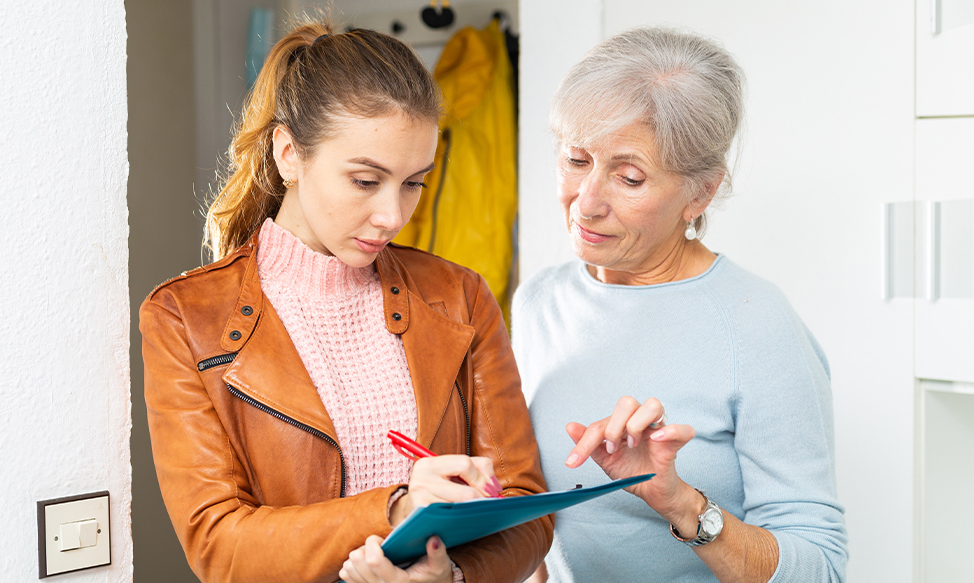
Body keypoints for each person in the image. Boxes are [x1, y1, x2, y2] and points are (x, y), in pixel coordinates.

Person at [140, 19, 551, 583]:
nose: (392, 216)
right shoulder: (184, 318)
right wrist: (397, 509)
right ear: (289, 153)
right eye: (365, 180)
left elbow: (526, 508)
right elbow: (218, 545)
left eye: (414, 183)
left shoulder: (460, 296)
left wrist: (452, 577)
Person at [512, 27, 848, 583]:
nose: (586, 203)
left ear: (700, 193)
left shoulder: (757, 325)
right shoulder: (538, 302)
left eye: (630, 177)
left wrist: (680, 503)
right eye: (575, 159)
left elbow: (821, 569)